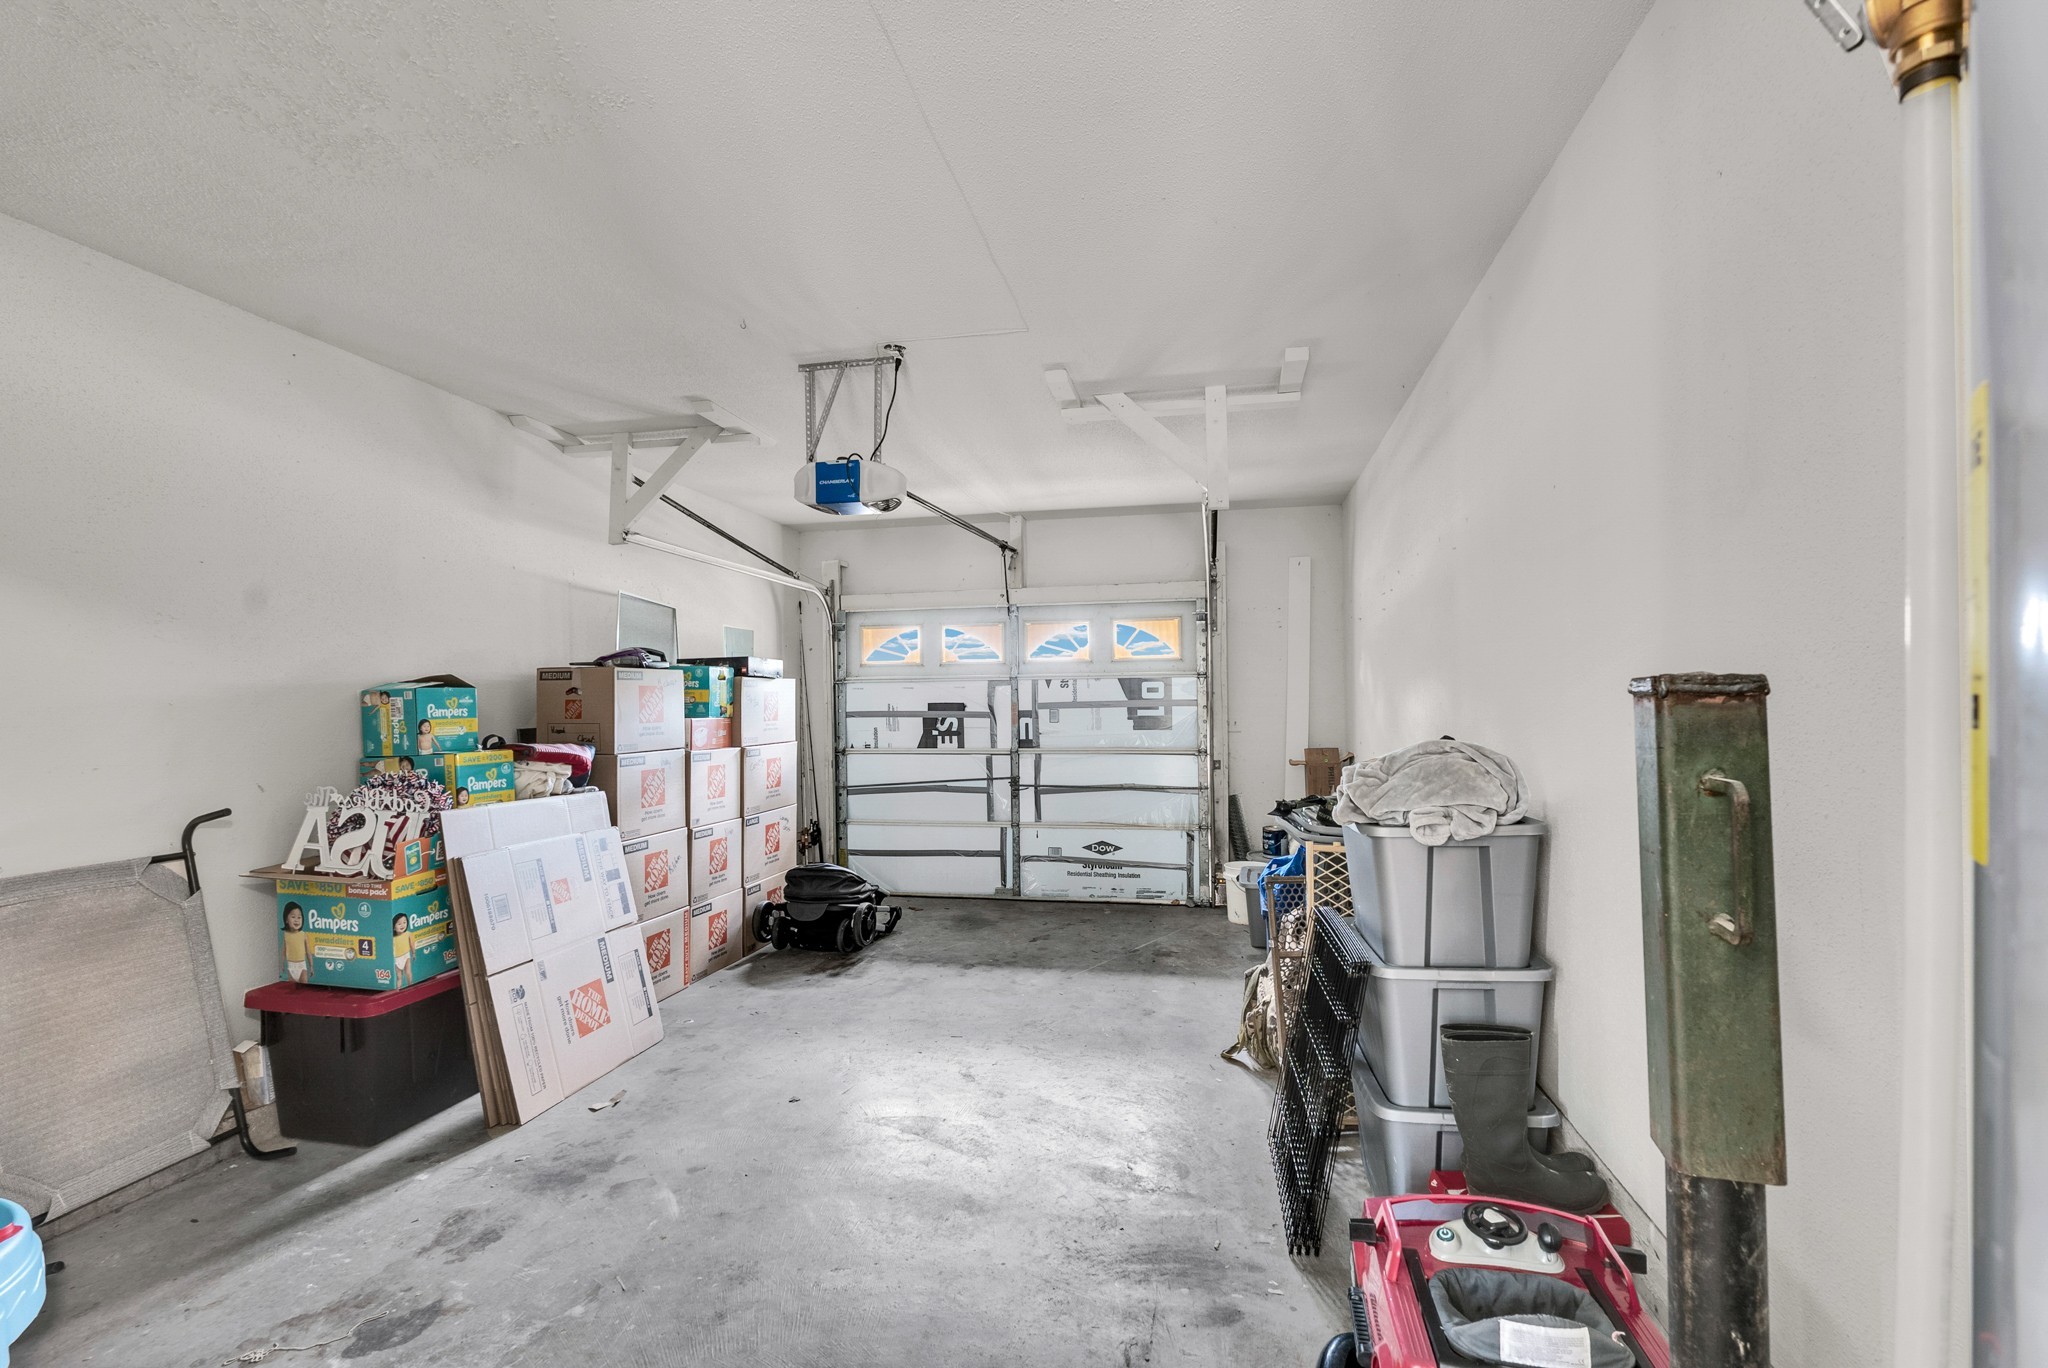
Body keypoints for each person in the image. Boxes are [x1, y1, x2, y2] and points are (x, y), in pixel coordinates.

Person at [281, 903, 309, 984]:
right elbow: (283, 951)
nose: (296, 920)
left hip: (301, 965)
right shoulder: (286, 935)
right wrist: (282, 964)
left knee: (304, 988)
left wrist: (311, 966)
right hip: (291, 966)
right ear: (286, 919)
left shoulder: (303, 934)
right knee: (292, 987)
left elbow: (308, 952)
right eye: (293, 917)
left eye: (299, 917)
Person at [390, 912, 413, 988]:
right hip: (397, 958)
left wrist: (414, 953)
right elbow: (391, 948)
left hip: (406, 955)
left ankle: (410, 985)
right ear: (393, 927)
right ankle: (398, 989)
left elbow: (412, 944)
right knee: (399, 976)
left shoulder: (408, 934)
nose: (402, 925)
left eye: (404, 922)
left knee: (408, 972)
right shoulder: (393, 938)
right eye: (399, 924)